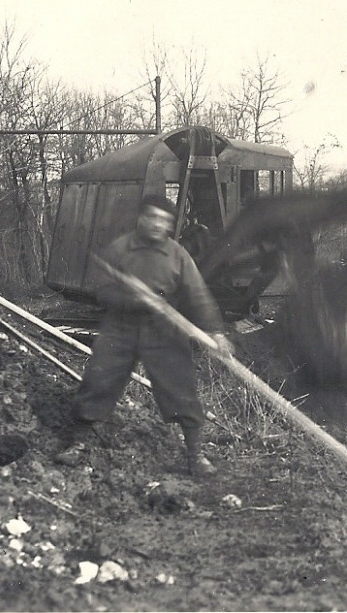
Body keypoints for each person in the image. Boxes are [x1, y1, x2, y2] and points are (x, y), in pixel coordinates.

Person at [55, 194, 233, 477]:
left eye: (164, 220)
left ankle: (195, 456)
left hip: (163, 330)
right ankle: (78, 444)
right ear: (141, 218)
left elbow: (198, 294)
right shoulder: (120, 249)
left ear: (170, 224)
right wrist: (135, 299)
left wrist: (216, 331)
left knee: (181, 388)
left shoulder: (177, 255)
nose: (157, 224)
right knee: (98, 380)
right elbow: (103, 292)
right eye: (152, 217)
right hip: (120, 328)